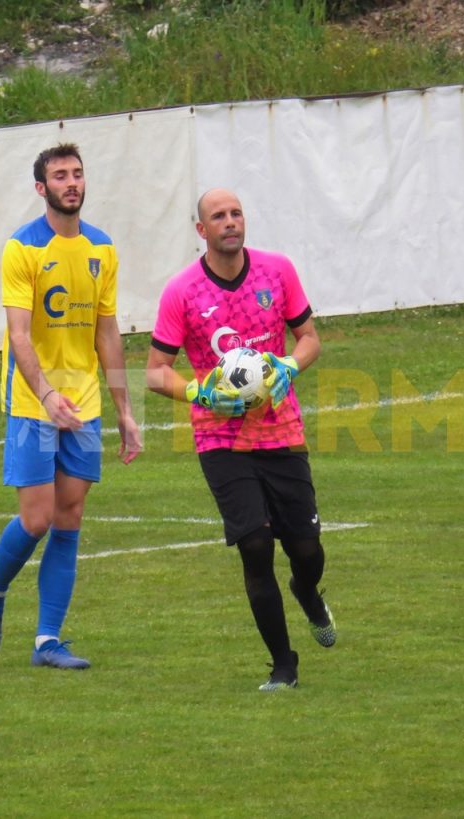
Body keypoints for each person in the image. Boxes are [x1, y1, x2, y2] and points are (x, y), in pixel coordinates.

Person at [145, 188, 335, 691]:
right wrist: (199, 392)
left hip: (281, 430)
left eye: (236, 213)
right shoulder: (181, 292)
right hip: (219, 438)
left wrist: (290, 366)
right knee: (254, 544)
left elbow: (310, 337)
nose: (230, 222)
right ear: (201, 230)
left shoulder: (277, 271)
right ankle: (283, 666)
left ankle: (307, 591)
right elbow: (154, 372)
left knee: (307, 550)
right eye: (218, 216)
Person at [0, 143, 142, 670]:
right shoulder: (21, 249)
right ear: (41, 188)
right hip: (32, 400)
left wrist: (123, 409)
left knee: (69, 517)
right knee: (38, 518)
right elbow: (18, 334)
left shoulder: (103, 249)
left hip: (84, 401)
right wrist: (46, 395)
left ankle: (48, 641)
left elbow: (107, 331)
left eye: (77, 174)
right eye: (60, 176)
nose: (72, 182)